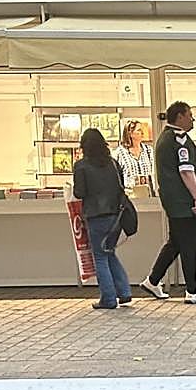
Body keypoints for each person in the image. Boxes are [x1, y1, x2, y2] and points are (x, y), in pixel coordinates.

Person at [140, 101, 196, 305]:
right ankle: (192, 290)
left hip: (174, 201)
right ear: (180, 116)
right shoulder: (179, 139)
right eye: (189, 115)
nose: (192, 119)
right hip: (183, 202)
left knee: (176, 242)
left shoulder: (164, 138)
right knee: (190, 244)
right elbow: (186, 171)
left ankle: (152, 280)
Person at [72, 128, 131, 310]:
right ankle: (124, 291)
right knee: (109, 252)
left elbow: (79, 192)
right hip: (115, 215)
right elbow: (121, 186)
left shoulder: (81, 166)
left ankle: (108, 298)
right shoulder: (113, 163)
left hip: (95, 216)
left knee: (100, 256)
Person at [113, 119, 154, 194]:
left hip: (148, 194)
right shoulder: (119, 153)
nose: (142, 133)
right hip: (129, 194)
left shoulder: (149, 151)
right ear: (130, 133)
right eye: (139, 130)